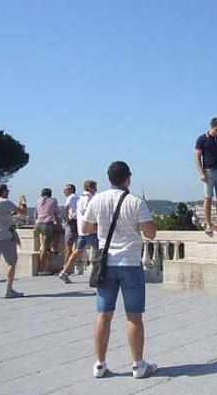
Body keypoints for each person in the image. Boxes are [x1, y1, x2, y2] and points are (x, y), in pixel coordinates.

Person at [83, 161, 157, 379]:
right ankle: (138, 365)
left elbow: (85, 228)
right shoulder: (136, 202)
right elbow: (150, 233)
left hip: (106, 264)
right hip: (130, 263)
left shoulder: (97, 199)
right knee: (134, 317)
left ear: (109, 178)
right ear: (128, 177)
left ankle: (100, 364)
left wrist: (102, 228)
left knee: (103, 316)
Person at [0, 183, 27, 300]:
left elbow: (4, 214)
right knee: (12, 263)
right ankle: (9, 290)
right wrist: (23, 201)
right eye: (7, 190)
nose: (8, 192)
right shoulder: (4, 202)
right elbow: (22, 212)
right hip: (5, 236)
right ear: (2, 191)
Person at [194, 117, 217, 234]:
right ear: (212, 127)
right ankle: (208, 225)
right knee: (208, 198)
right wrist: (201, 172)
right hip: (208, 171)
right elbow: (197, 156)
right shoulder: (202, 139)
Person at [58, 180, 98, 284]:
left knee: (77, 251)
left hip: (81, 230)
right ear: (90, 188)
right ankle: (98, 275)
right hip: (90, 231)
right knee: (101, 251)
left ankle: (64, 271)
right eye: (95, 188)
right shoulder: (88, 199)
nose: (96, 190)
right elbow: (87, 213)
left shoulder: (80, 198)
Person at [34, 188, 60, 275]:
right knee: (45, 248)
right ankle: (41, 269)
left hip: (38, 224)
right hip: (47, 224)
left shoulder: (38, 201)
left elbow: (35, 214)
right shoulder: (53, 201)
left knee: (43, 245)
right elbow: (56, 214)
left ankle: (48, 248)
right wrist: (58, 224)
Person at [63, 183, 79, 267]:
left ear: (71, 190)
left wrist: (67, 220)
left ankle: (65, 266)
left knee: (68, 246)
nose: (64, 191)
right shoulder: (77, 197)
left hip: (72, 223)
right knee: (75, 246)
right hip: (77, 222)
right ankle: (69, 266)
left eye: (66, 190)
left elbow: (66, 208)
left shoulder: (71, 197)